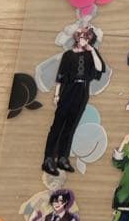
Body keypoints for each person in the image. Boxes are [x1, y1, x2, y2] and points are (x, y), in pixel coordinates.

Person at [43, 25, 105, 175]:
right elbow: (61, 76)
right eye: (82, 37)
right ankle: (48, 159)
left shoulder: (91, 55)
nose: (84, 40)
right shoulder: (68, 55)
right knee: (57, 125)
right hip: (68, 89)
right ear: (77, 38)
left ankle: (62, 158)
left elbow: (99, 68)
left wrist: (92, 51)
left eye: (87, 38)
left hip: (82, 91)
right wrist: (57, 94)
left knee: (70, 127)